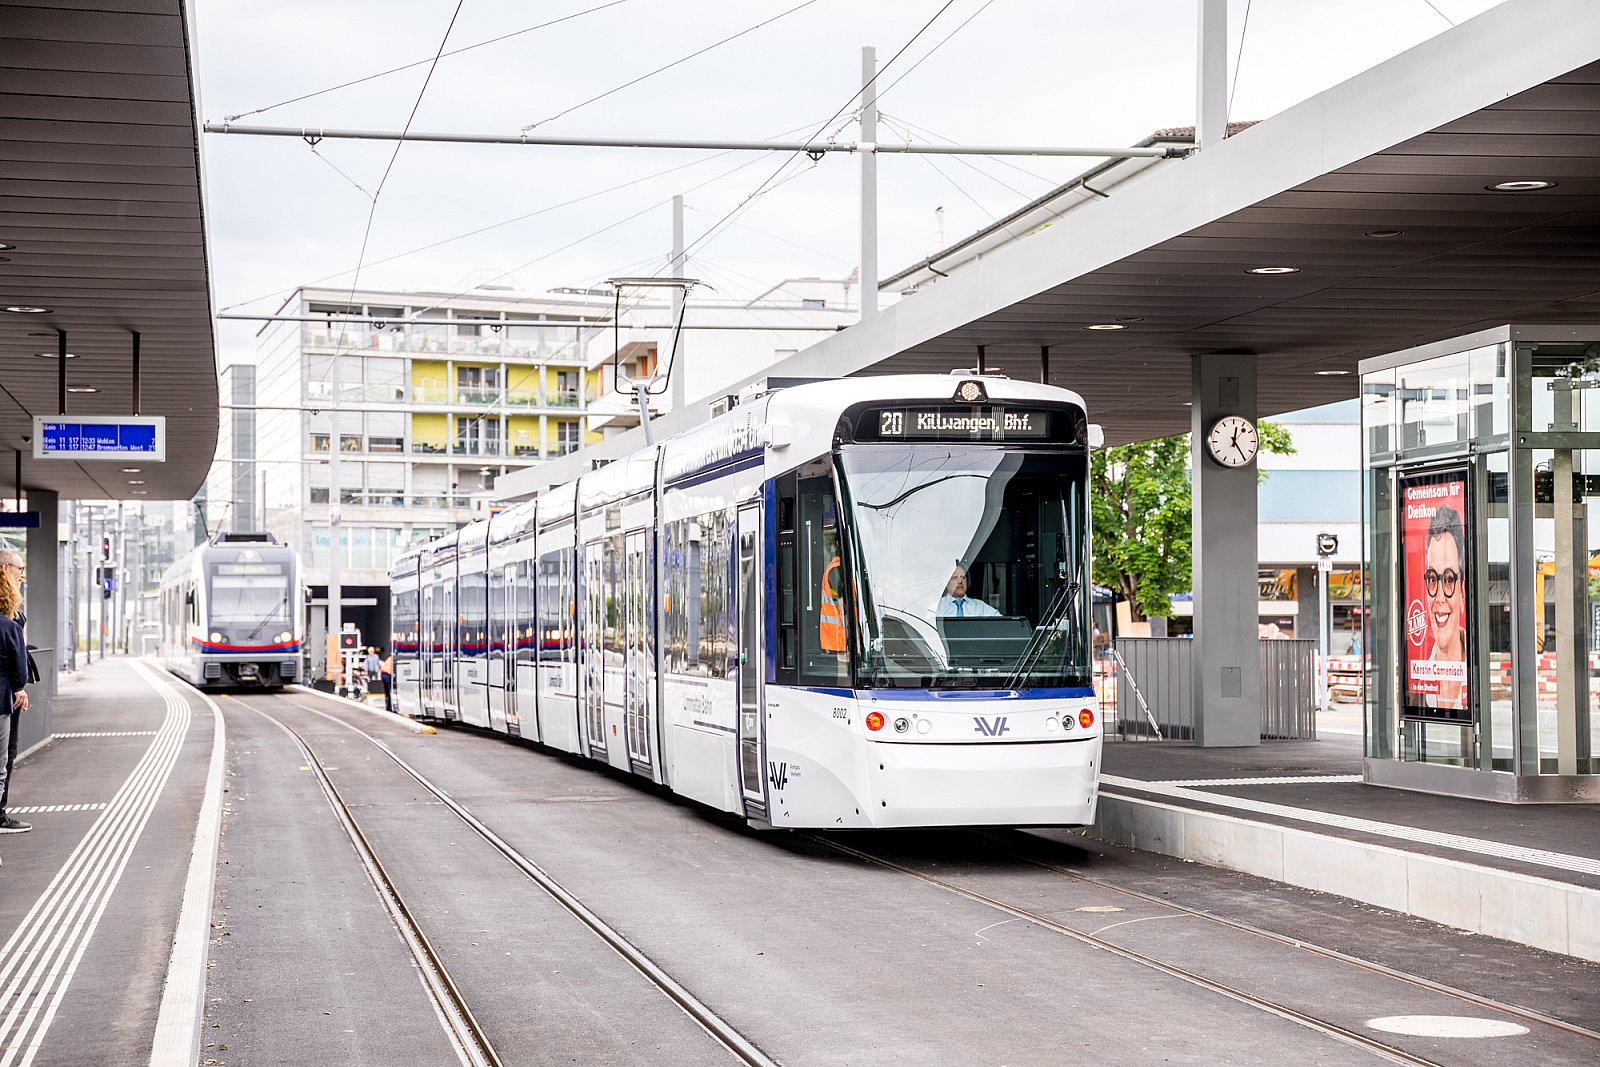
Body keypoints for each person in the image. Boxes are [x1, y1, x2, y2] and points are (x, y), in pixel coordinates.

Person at [1422, 504, 1467, 710]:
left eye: (1448, 580)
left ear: (1462, 591)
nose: (1440, 598)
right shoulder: (1419, 683)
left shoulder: (1476, 672)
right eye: (1432, 579)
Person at [0, 563, 31, 836]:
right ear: (6, 567)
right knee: (4, 757)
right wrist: (19, 686)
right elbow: (16, 663)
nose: (23, 573)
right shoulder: (8, 620)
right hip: (5, 695)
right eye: (19, 568)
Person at [379, 648, 394, 712]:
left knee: (387, 692)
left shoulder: (388, 659)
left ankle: (388, 707)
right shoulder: (393, 659)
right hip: (388, 675)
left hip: (383, 674)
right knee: (390, 692)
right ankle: (390, 707)